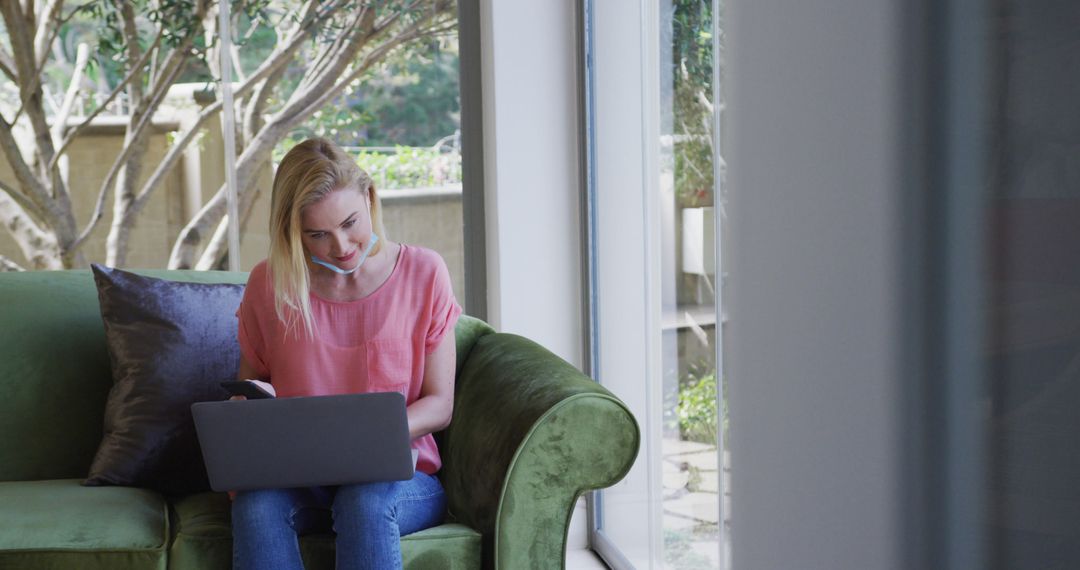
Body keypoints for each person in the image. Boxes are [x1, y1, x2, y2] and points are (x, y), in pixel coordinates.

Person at [229, 137, 461, 570]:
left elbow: (440, 405)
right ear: (293, 233)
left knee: (363, 501)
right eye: (317, 234)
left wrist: (364, 438)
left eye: (350, 222)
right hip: (301, 479)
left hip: (400, 477)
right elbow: (250, 389)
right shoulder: (268, 284)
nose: (341, 246)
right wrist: (244, 411)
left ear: (369, 199)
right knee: (254, 506)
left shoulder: (424, 272)